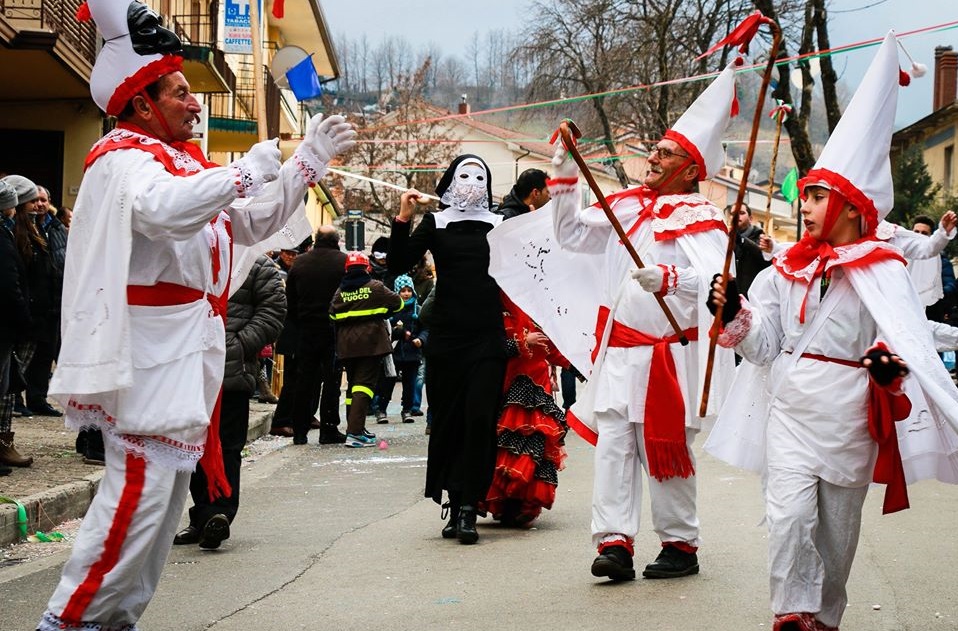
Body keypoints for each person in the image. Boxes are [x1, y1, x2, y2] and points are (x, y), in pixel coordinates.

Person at [36, 1, 355, 628]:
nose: (195, 104)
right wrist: (242, 173)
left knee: (162, 501)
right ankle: (68, 619)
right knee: (139, 493)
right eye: (180, 93)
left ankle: (113, 619)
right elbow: (165, 212)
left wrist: (303, 166)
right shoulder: (123, 157)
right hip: (151, 351)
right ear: (140, 102)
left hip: (183, 350)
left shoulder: (182, 162)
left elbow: (253, 223)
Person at [705, 33, 958, 631]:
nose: (806, 205)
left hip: (848, 420)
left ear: (849, 205)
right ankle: (792, 612)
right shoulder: (784, 269)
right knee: (789, 520)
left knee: (837, 538)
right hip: (791, 411)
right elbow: (764, 345)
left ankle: (824, 616)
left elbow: (904, 338)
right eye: (806, 195)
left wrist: (890, 367)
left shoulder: (885, 270)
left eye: (818, 196)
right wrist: (735, 313)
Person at [534, 60, 741, 582]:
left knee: (664, 448)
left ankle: (680, 543)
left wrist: (671, 279)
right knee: (614, 447)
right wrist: (564, 173)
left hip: (666, 356)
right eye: (656, 149)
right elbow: (571, 235)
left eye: (666, 153)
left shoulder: (701, 218)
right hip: (620, 351)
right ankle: (614, 542)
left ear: (691, 170)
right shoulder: (626, 206)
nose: (653, 156)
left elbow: (721, 282)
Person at [389, 155, 508, 545]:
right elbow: (398, 263)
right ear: (450, 182)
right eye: (464, 175)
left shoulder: (500, 224)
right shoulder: (436, 223)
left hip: (486, 336)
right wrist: (404, 216)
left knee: (479, 419)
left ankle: (471, 505)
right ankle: (455, 503)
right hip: (447, 339)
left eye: (479, 175)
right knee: (449, 421)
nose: (472, 181)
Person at [174, 254, 285, 549]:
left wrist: (237, 345)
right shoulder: (192, 253)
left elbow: (273, 312)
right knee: (191, 446)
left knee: (227, 446)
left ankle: (220, 512)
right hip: (188, 367)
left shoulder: (257, 264)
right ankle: (202, 516)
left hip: (231, 372)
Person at [479, 292, 569, 527]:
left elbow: (554, 349)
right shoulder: (493, 305)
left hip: (538, 389)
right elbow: (486, 345)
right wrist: (522, 343)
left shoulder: (540, 308)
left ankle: (524, 504)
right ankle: (504, 503)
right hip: (506, 386)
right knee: (505, 447)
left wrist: (582, 366)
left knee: (535, 448)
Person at [329, 250, 403, 447]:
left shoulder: (340, 292)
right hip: (371, 344)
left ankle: (355, 428)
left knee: (353, 386)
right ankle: (355, 433)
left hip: (347, 346)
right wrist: (383, 311)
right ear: (367, 268)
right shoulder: (376, 287)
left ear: (346, 269)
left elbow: (332, 315)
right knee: (364, 386)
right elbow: (399, 303)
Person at [286, 226, 348, 445]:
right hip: (334, 329)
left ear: (316, 239)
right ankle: (328, 429)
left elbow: (290, 299)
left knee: (304, 380)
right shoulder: (343, 262)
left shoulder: (300, 263)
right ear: (336, 241)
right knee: (332, 380)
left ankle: (299, 431)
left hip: (306, 329)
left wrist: (299, 321)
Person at [0, 180, 32, 476]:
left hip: (9, 324)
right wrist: (23, 320)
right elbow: (9, 283)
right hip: (5, 325)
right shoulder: (5, 235)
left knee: (6, 386)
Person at [376, 273, 427, 423]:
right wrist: (395, 332)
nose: (406, 294)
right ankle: (381, 409)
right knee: (387, 382)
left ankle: (407, 410)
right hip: (393, 353)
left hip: (412, 352)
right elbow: (384, 328)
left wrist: (421, 339)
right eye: (403, 291)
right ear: (397, 292)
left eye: (409, 290)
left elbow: (425, 329)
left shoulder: (418, 310)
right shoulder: (391, 311)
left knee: (410, 384)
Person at [729, 203, 771, 297]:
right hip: (732, 296)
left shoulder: (762, 239)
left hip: (753, 296)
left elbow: (765, 258)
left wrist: (742, 241)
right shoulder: (726, 239)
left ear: (751, 218)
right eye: (733, 214)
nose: (736, 216)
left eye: (741, 213)